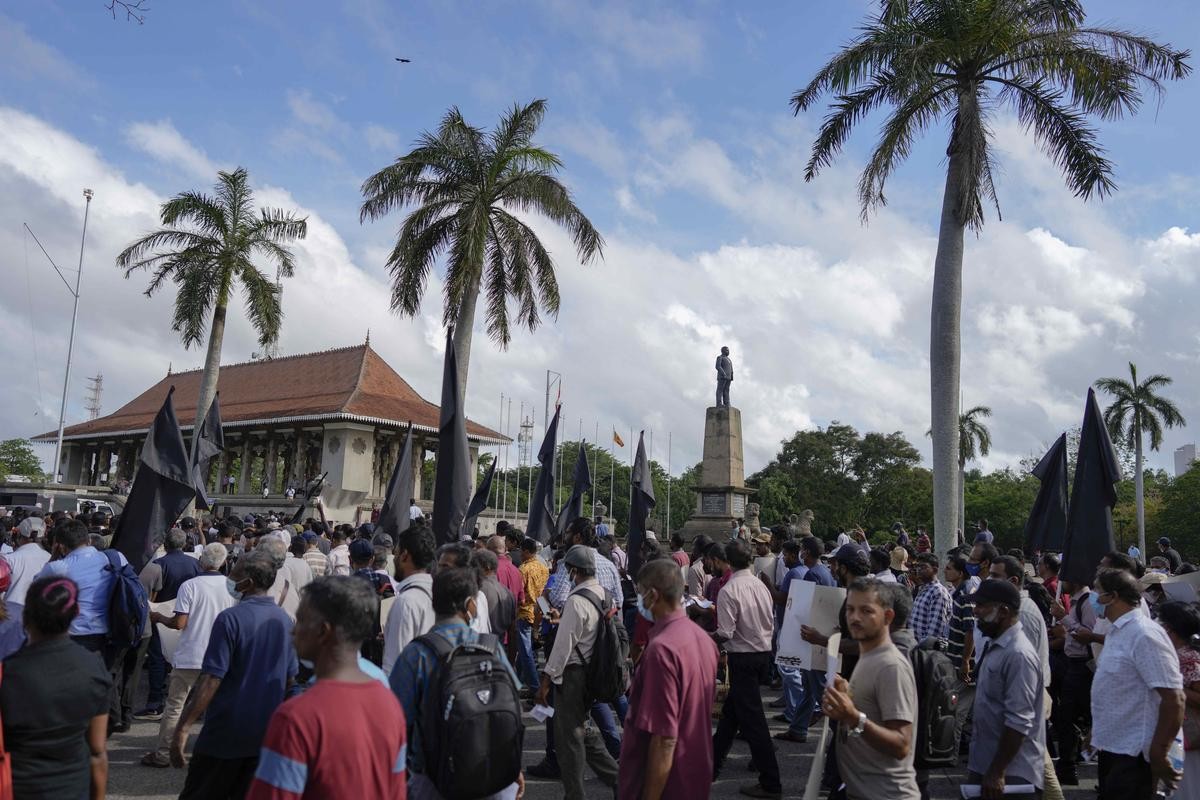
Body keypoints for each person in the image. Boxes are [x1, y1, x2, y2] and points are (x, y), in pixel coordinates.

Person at [246, 576, 407, 799]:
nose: (293, 631)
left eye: (300, 620)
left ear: (323, 631)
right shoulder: (390, 704)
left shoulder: (295, 718)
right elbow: (396, 790)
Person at [171, 551, 299, 799]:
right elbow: (290, 681)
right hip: (263, 737)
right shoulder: (284, 621)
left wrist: (183, 728)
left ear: (248, 582)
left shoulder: (230, 619)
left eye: (235, 572)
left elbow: (211, 679)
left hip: (224, 737)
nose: (230, 576)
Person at [392, 567, 523, 800]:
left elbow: (397, 722)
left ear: (434, 603)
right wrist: (513, 765)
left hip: (434, 779)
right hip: (492, 775)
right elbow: (512, 705)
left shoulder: (416, 654)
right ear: (470, 605)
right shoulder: (490, 647)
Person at [1, 576, 109, 799]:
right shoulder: (94, 667)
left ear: (25, 617)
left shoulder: (7, 673)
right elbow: (97, 751)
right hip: (72, 787)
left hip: (17, 787)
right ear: (76, 612)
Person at [619, 559, 718, 800]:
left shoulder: (662, 649)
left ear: (654, 595)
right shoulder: (704, 639)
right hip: (695, 770)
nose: (639, 600)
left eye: (641, 593)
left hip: (665, 781)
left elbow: (664, 738)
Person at [821, 577, 919, 799]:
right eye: (850, 609)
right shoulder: (869, 654)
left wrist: (853, 716)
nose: (854, 618)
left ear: (888, 616)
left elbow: (901, 744)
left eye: (866, 611)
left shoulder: (890, 666)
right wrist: (846, 696)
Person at [1090, 567, 1185, 798]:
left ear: (1113, 596)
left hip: (1134, 757)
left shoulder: (1144, 635)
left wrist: (1160, 751)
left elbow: (1174, 699)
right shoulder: (1117, 632)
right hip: (1112, 747)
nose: (1094, 598)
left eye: (1097, 592)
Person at [142, 543, 237, 768]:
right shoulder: (233, 587)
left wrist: (159, 617)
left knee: (175, 706)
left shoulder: (190, 586)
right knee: (216, 706)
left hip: (190, 654)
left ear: (202, 561)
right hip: (220, 656)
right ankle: (212, 753)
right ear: (223, 562)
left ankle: (164, 753)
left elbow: (180, 622)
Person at [535, 546, 619, 799]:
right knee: (584, 731)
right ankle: (620, 780)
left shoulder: (576, 599)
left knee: (568, 741)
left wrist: (546, 682)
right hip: (594, 670)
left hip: (572, 674)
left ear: (574, 571)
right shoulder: (604, 594)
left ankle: (575, 795)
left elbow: (563, 647)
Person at [36, 517, 130, 726]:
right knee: (101, 680)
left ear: (60, 544)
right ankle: (105, 723)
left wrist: (53, 556)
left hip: (76, 634)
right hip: (110, 630)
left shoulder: (59, 567)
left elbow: (37, 588)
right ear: (88, 539)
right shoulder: (114, 558)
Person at [711, 539, 782, 799]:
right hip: (761, 654)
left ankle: (771, 782)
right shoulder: (759, 586)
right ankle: (710, 766)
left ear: (727, 562)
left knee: (754, 723)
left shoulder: (729, 590)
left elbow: (726, 632)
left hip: (743, 657)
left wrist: (705, 636)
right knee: (731, 717)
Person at [967, 578, 1046, 797]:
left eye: (981, 606)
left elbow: (1019, 720)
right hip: (986, 764)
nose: (976, 612)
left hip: (1012, 774)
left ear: (1002, 611)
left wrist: (997, 771)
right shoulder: (998, 645)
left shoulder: (1018, 654)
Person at [136, 527, 203, 720]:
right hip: (188, 616)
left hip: (161, 615)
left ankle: (155, 702)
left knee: (158, 658)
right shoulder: (195, 564)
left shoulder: (158, 564)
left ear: (165, 544)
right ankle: (188, 700)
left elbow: (152, 593)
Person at [1048, 576, 1098, 785]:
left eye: (1065, 578)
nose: (1061, 582)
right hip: (1072, 664)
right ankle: (1068, 766)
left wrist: (1064, 617)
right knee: (1066, 717)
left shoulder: (1088, 601)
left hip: (1084, 667)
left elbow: (1088, 635)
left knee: (1082, 714)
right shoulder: (1077, 601)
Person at [1154, 601, 1200, 800]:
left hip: (1188, 735)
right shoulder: (1172, 655)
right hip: (1176, 733)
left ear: (1171, 629)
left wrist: (1172, 686)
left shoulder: (1189, 658)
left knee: (1187, 786)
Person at [383, 523, 436, 674]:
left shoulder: (406, 602)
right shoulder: (439, 593)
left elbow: (395, 666)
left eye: (397, 553)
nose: (394, 558)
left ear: (405, 556)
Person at [1, 515, 51, 619]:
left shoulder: (9, 559)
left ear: (19, 535)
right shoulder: (50, 559)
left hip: (10, 615)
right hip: (39, 617)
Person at [516, 536, 549, 689]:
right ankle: (517, 681)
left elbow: (519, 593)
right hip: (539, 611)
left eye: (522, 551)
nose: (520, 554)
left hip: (524, 612)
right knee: (526, 651)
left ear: (527, 551)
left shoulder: (523, 569)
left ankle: (535, 687)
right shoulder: (543, 567)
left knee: (526, 652)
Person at [945, 553, 976, 681]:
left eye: (949, 568)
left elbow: (971, 630)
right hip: (955, 658)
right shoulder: (958, 592)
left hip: (961, 662)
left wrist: (965, 661)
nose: (944, 571)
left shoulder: (966, 595)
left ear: (961, 573)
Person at [909, 552, 952, 644]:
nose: (919, 570)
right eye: (918, 566)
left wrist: (920, 651)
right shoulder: (922, 589)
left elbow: (934, 632)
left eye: (923, 567)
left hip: (924, 651)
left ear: (935, 570)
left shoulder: (938, 592)